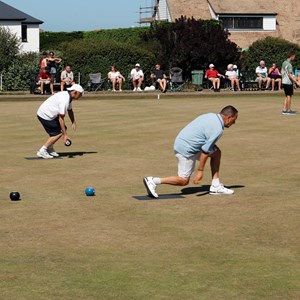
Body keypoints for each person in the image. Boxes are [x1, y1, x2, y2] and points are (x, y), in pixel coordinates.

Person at [143, 105, 238, 198]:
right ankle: (153, 181)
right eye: (234, 119)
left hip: (185, 142)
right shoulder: (218, 129)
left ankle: (215, 186)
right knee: (183, 180)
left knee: (216, 153)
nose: (234, 122)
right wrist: (200, 171)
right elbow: (205, 151)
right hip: (186, 149)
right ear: (229, 117)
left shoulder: (211, 115)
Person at [36, 84, 84, 159]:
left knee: (63, 129)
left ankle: (49, 148)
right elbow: (61, 119)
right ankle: (42, 150)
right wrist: (65, 135)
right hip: (45, 115)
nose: (81, 96)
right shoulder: (64, 100)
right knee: (57, 133)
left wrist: (73, 122)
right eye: (80, 94)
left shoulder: (68, 96)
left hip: (48, 113)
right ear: (75, 92)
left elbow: (70, 110)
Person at [281, 51, 299, 115]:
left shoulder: (284, 62)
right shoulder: (289, 65)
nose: (294, 58)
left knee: (287, 95)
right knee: (289, 96)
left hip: (284, 81)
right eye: (294, 56)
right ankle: (288, 110)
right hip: (288, 82)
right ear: (292, 56)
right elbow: (290, 75)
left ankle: (284, 109)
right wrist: (296, 82)